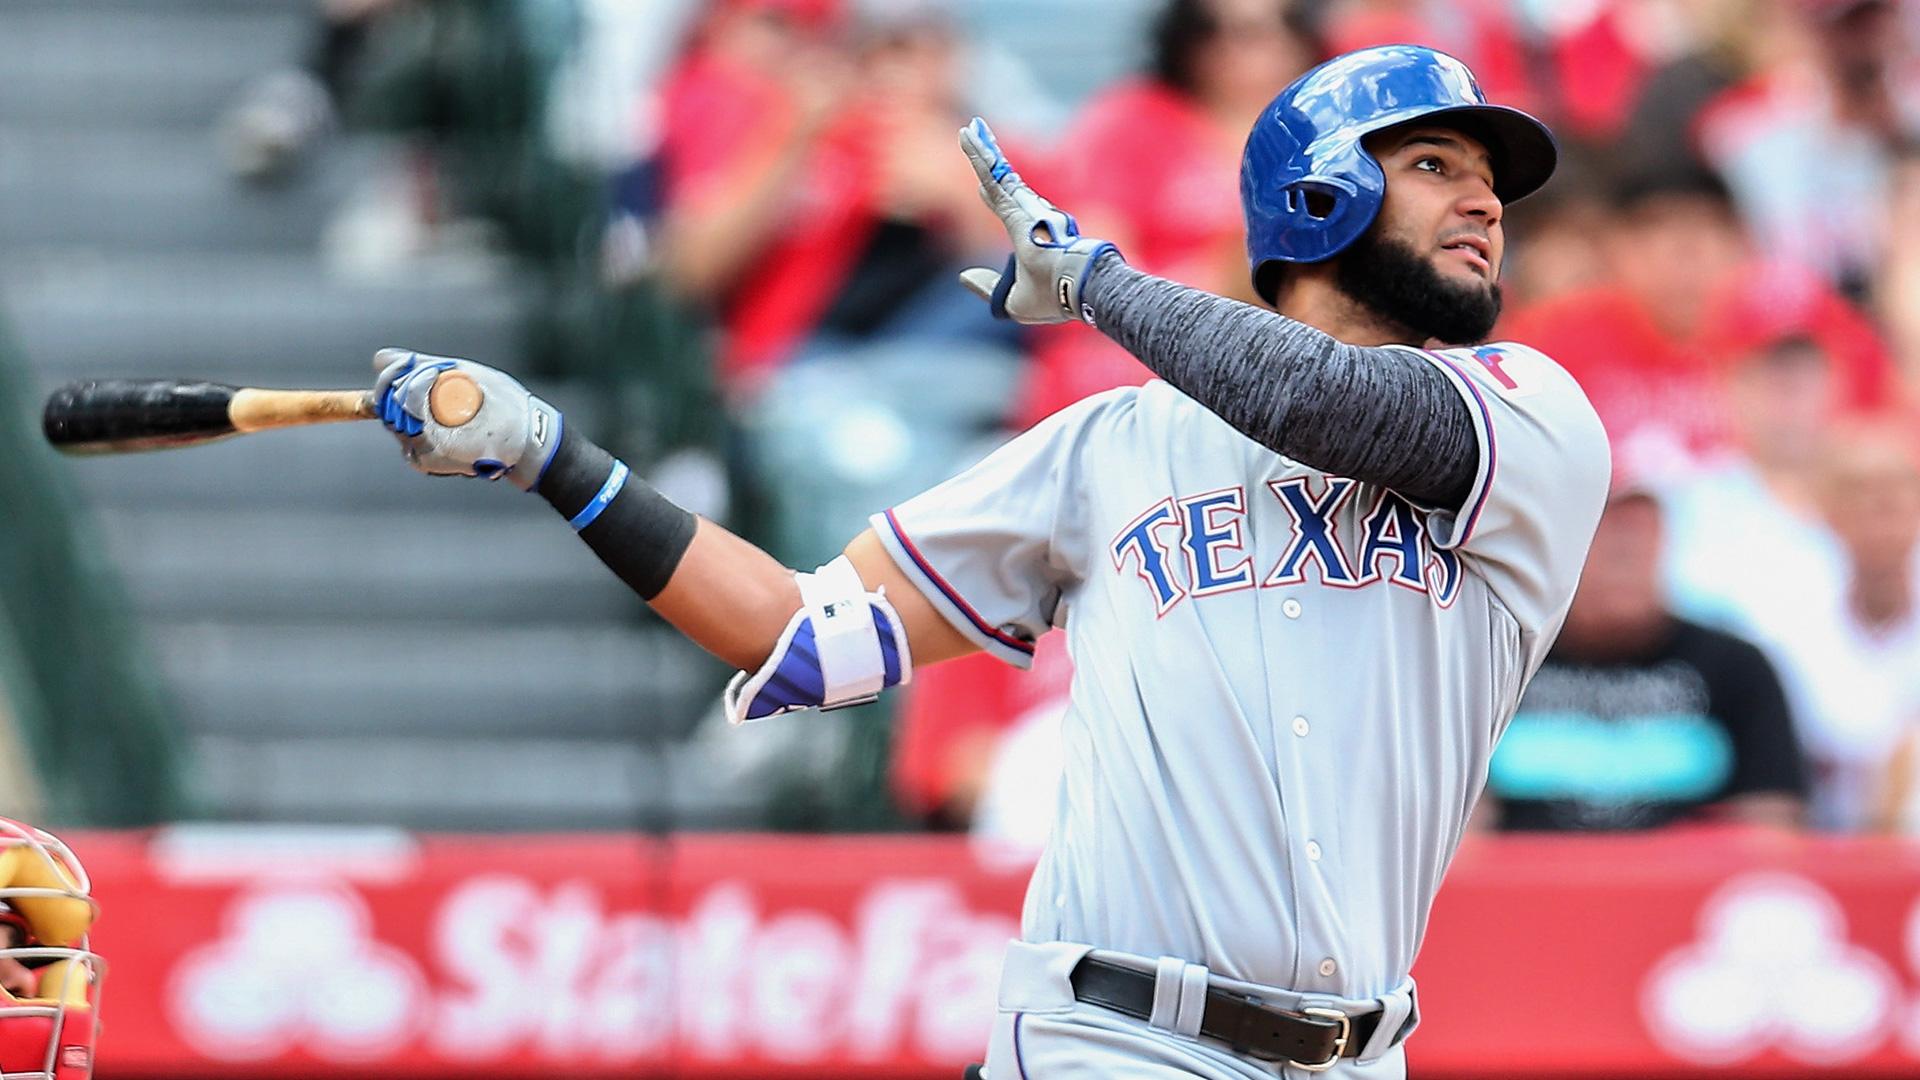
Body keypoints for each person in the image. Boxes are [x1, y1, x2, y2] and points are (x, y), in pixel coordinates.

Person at [367, 45, 1608, 1078]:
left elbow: (1342, 409)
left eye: (1494, 180)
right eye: (1437, 165)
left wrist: (1104, 286)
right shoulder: (1108, 448)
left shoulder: (1532, 416)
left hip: (1359, 1053)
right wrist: (554, 458)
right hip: (1108, 1040)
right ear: (1319, 195)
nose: (1489, 204)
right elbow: (796, 637)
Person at [1483, 485, 1808, 832]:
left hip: (1688, 882)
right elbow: (1455, 825)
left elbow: (1771, 827)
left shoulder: (1737, 668)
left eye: (1638, 526)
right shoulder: (1499, 661)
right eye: (1604, 523)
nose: (1624, 549)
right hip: (1530, 881)